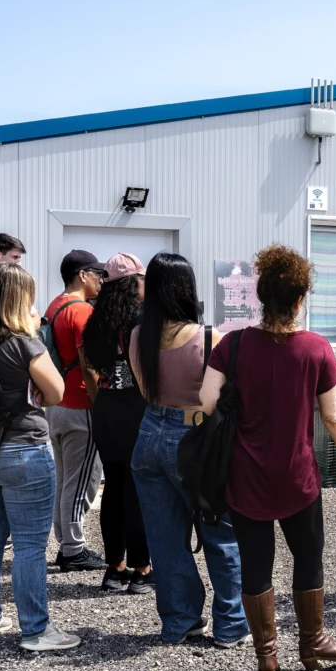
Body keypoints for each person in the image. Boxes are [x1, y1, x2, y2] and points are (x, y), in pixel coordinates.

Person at [200, 244, 336, 671]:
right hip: (297, 478)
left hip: (246, 477)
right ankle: (312, 644)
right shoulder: (316, 349)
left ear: (260, 296)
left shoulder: (233, 345)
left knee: (256, 567)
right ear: (299, 299)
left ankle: (266, 661)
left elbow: (206, 401)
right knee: (308, 557)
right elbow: (333, 416)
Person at [0, 263, 79, 650]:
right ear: (20, 299)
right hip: (21, 450)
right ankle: (36, 630)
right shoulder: (25, 343)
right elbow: (57, 392)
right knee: (28, 544)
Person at [130, 252, 250, 647]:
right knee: (220, 532)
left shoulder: (137, 335)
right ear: (187, 288)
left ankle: (179, 621)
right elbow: (213, 401)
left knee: (164, 538)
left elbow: (146, 392)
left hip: (149, 434)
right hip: (195, 439)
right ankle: (231, 625)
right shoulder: (209, 338)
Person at [81, 253, 153, 594]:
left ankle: (114, 567)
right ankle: (142, 569)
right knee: (138, 489)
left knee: (113, 488)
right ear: (133, 282)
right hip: (135, 408)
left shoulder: (95, 321)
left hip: (105, 407)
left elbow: (89, 369)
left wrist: (101, 401)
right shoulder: (142, 320)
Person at [44, 250, 106, 572]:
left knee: (65, 478)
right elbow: (88, 365)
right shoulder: (82, 311)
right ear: (82, 275)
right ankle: (73, 549)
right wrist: (101, 405)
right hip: (81, 406)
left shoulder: (55, 305)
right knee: (82, 481)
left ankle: (66, 543)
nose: (101, 280)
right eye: (98, 274)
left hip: (56, 405)